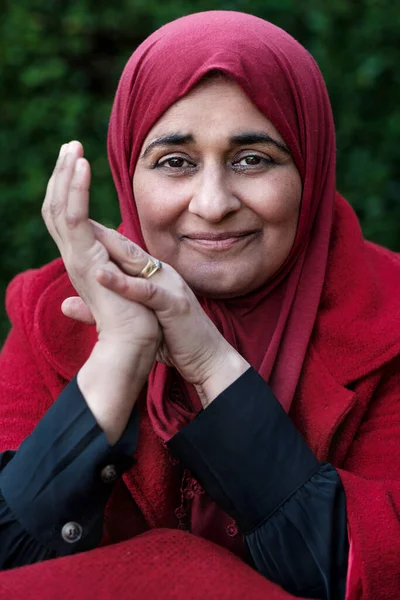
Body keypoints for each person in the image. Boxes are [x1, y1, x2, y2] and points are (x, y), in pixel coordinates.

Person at [0, 9, 399, 600]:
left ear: (309, 170)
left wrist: (211, 365)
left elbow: (369, 577)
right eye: (175, 162)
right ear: (126, 170)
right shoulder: (51, 313)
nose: (212, 204)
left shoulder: (388, 319)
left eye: (252, 159)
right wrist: (119, 358)